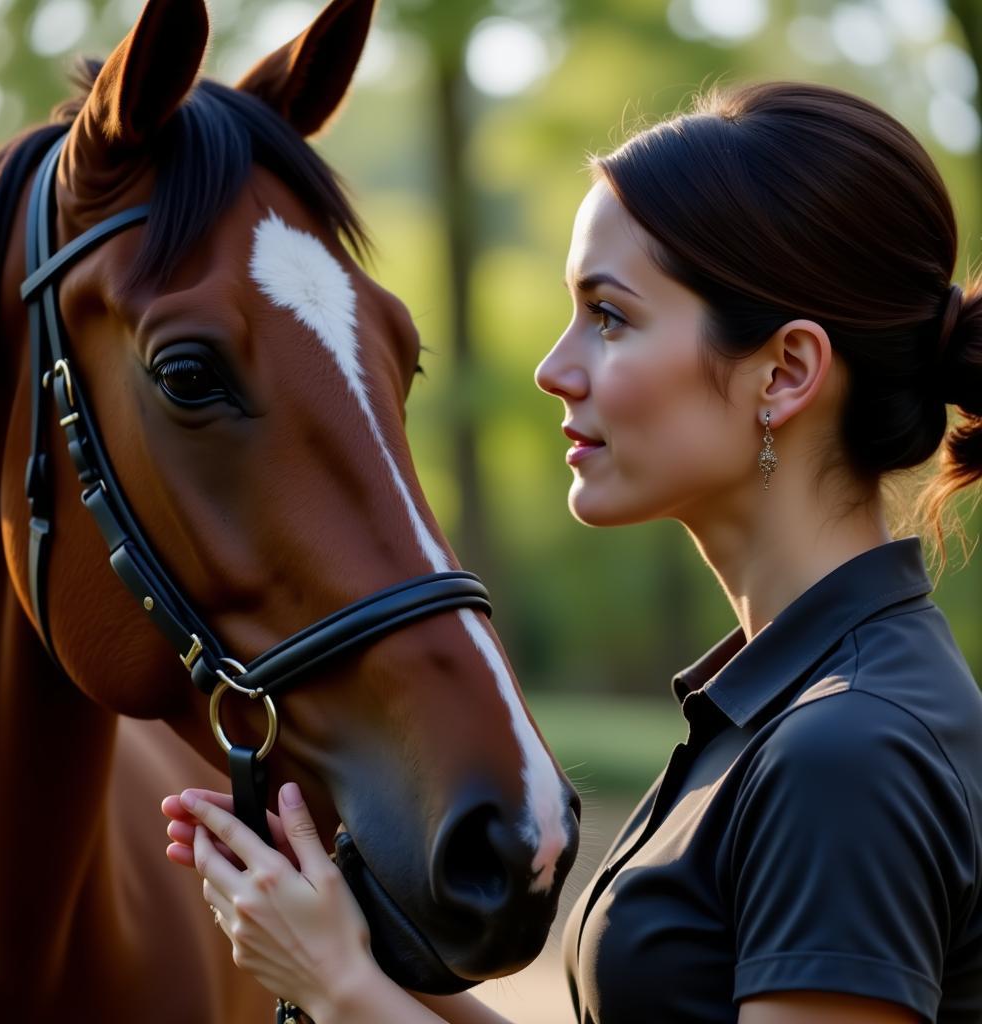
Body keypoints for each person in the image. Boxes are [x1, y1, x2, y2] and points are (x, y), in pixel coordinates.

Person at [162, 81, 982, 1024]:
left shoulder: (850, 752)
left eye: (610, 316)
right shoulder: (792, 712)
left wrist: (340, 994)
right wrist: (342, 949)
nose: (554, 368)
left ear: (786, 372)